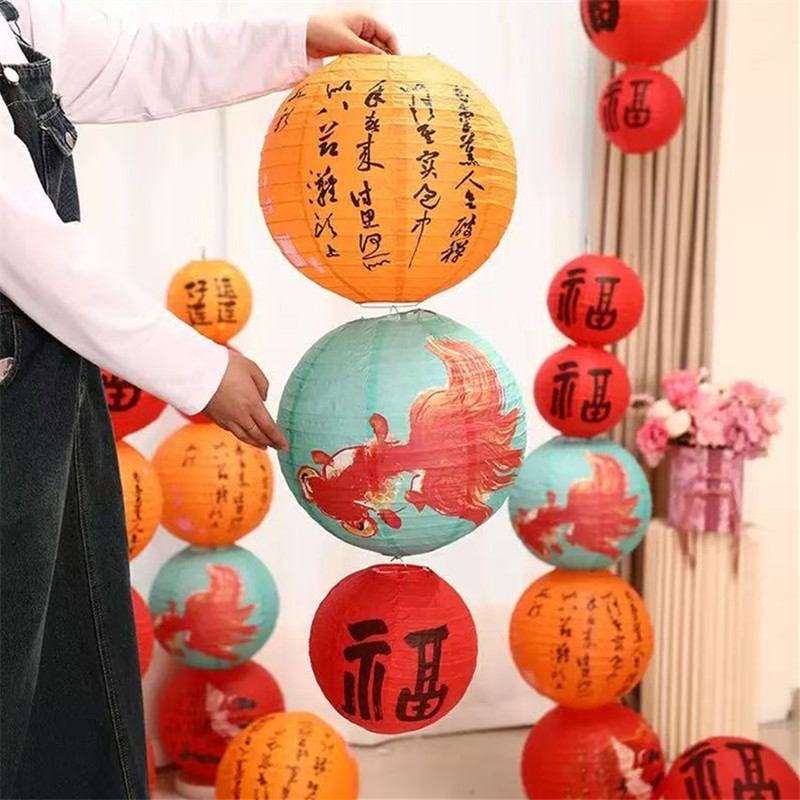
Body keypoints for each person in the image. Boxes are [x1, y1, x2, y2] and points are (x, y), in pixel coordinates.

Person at [0, 2, 399, 797]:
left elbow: (128, 59)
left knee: (67, 663)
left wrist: (293, 39)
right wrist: (196, 370)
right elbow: (24, 243)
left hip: (46, 371)